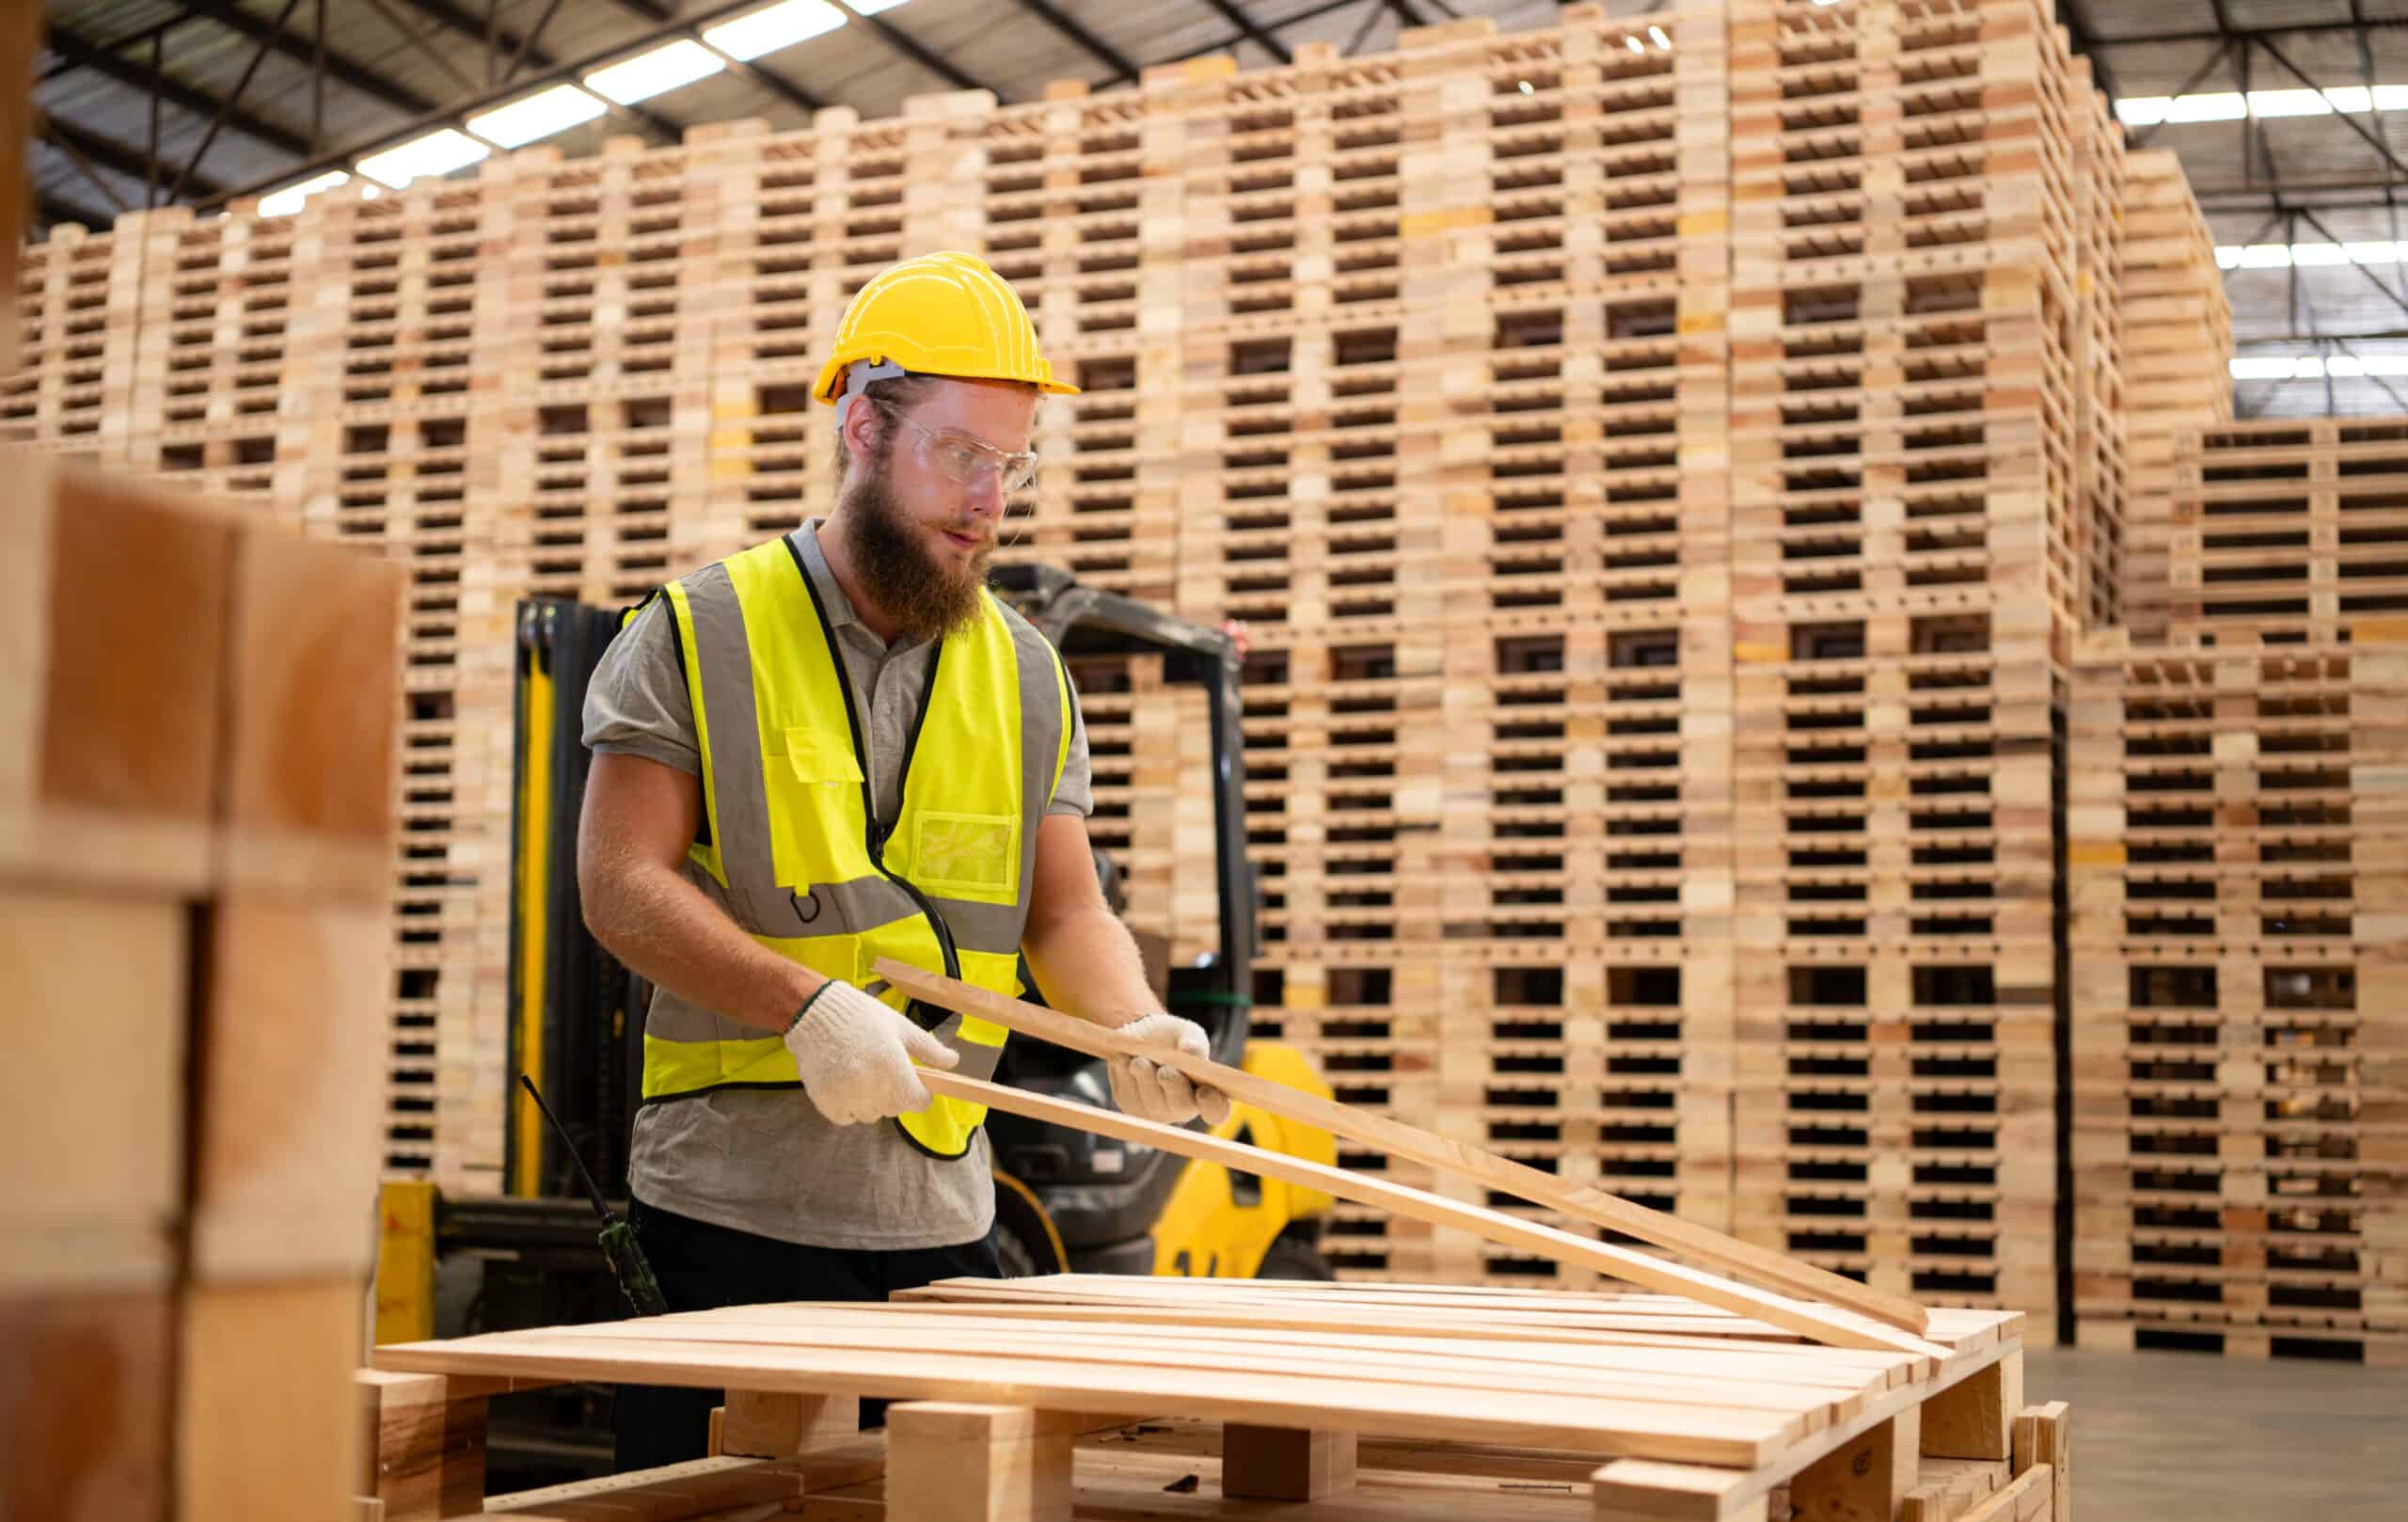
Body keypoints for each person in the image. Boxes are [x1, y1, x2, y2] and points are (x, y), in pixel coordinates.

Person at [577, 250, 1230, 1471]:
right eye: (962, 456)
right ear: (862, 427)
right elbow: (620, 881)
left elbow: (1065, 908)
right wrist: (806, 1006)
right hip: (727, 1219)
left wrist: (1135, 1022)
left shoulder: (1029, 672)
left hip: (941, 1218)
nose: (992, 500)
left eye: (1014, 465)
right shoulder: (696, 632)